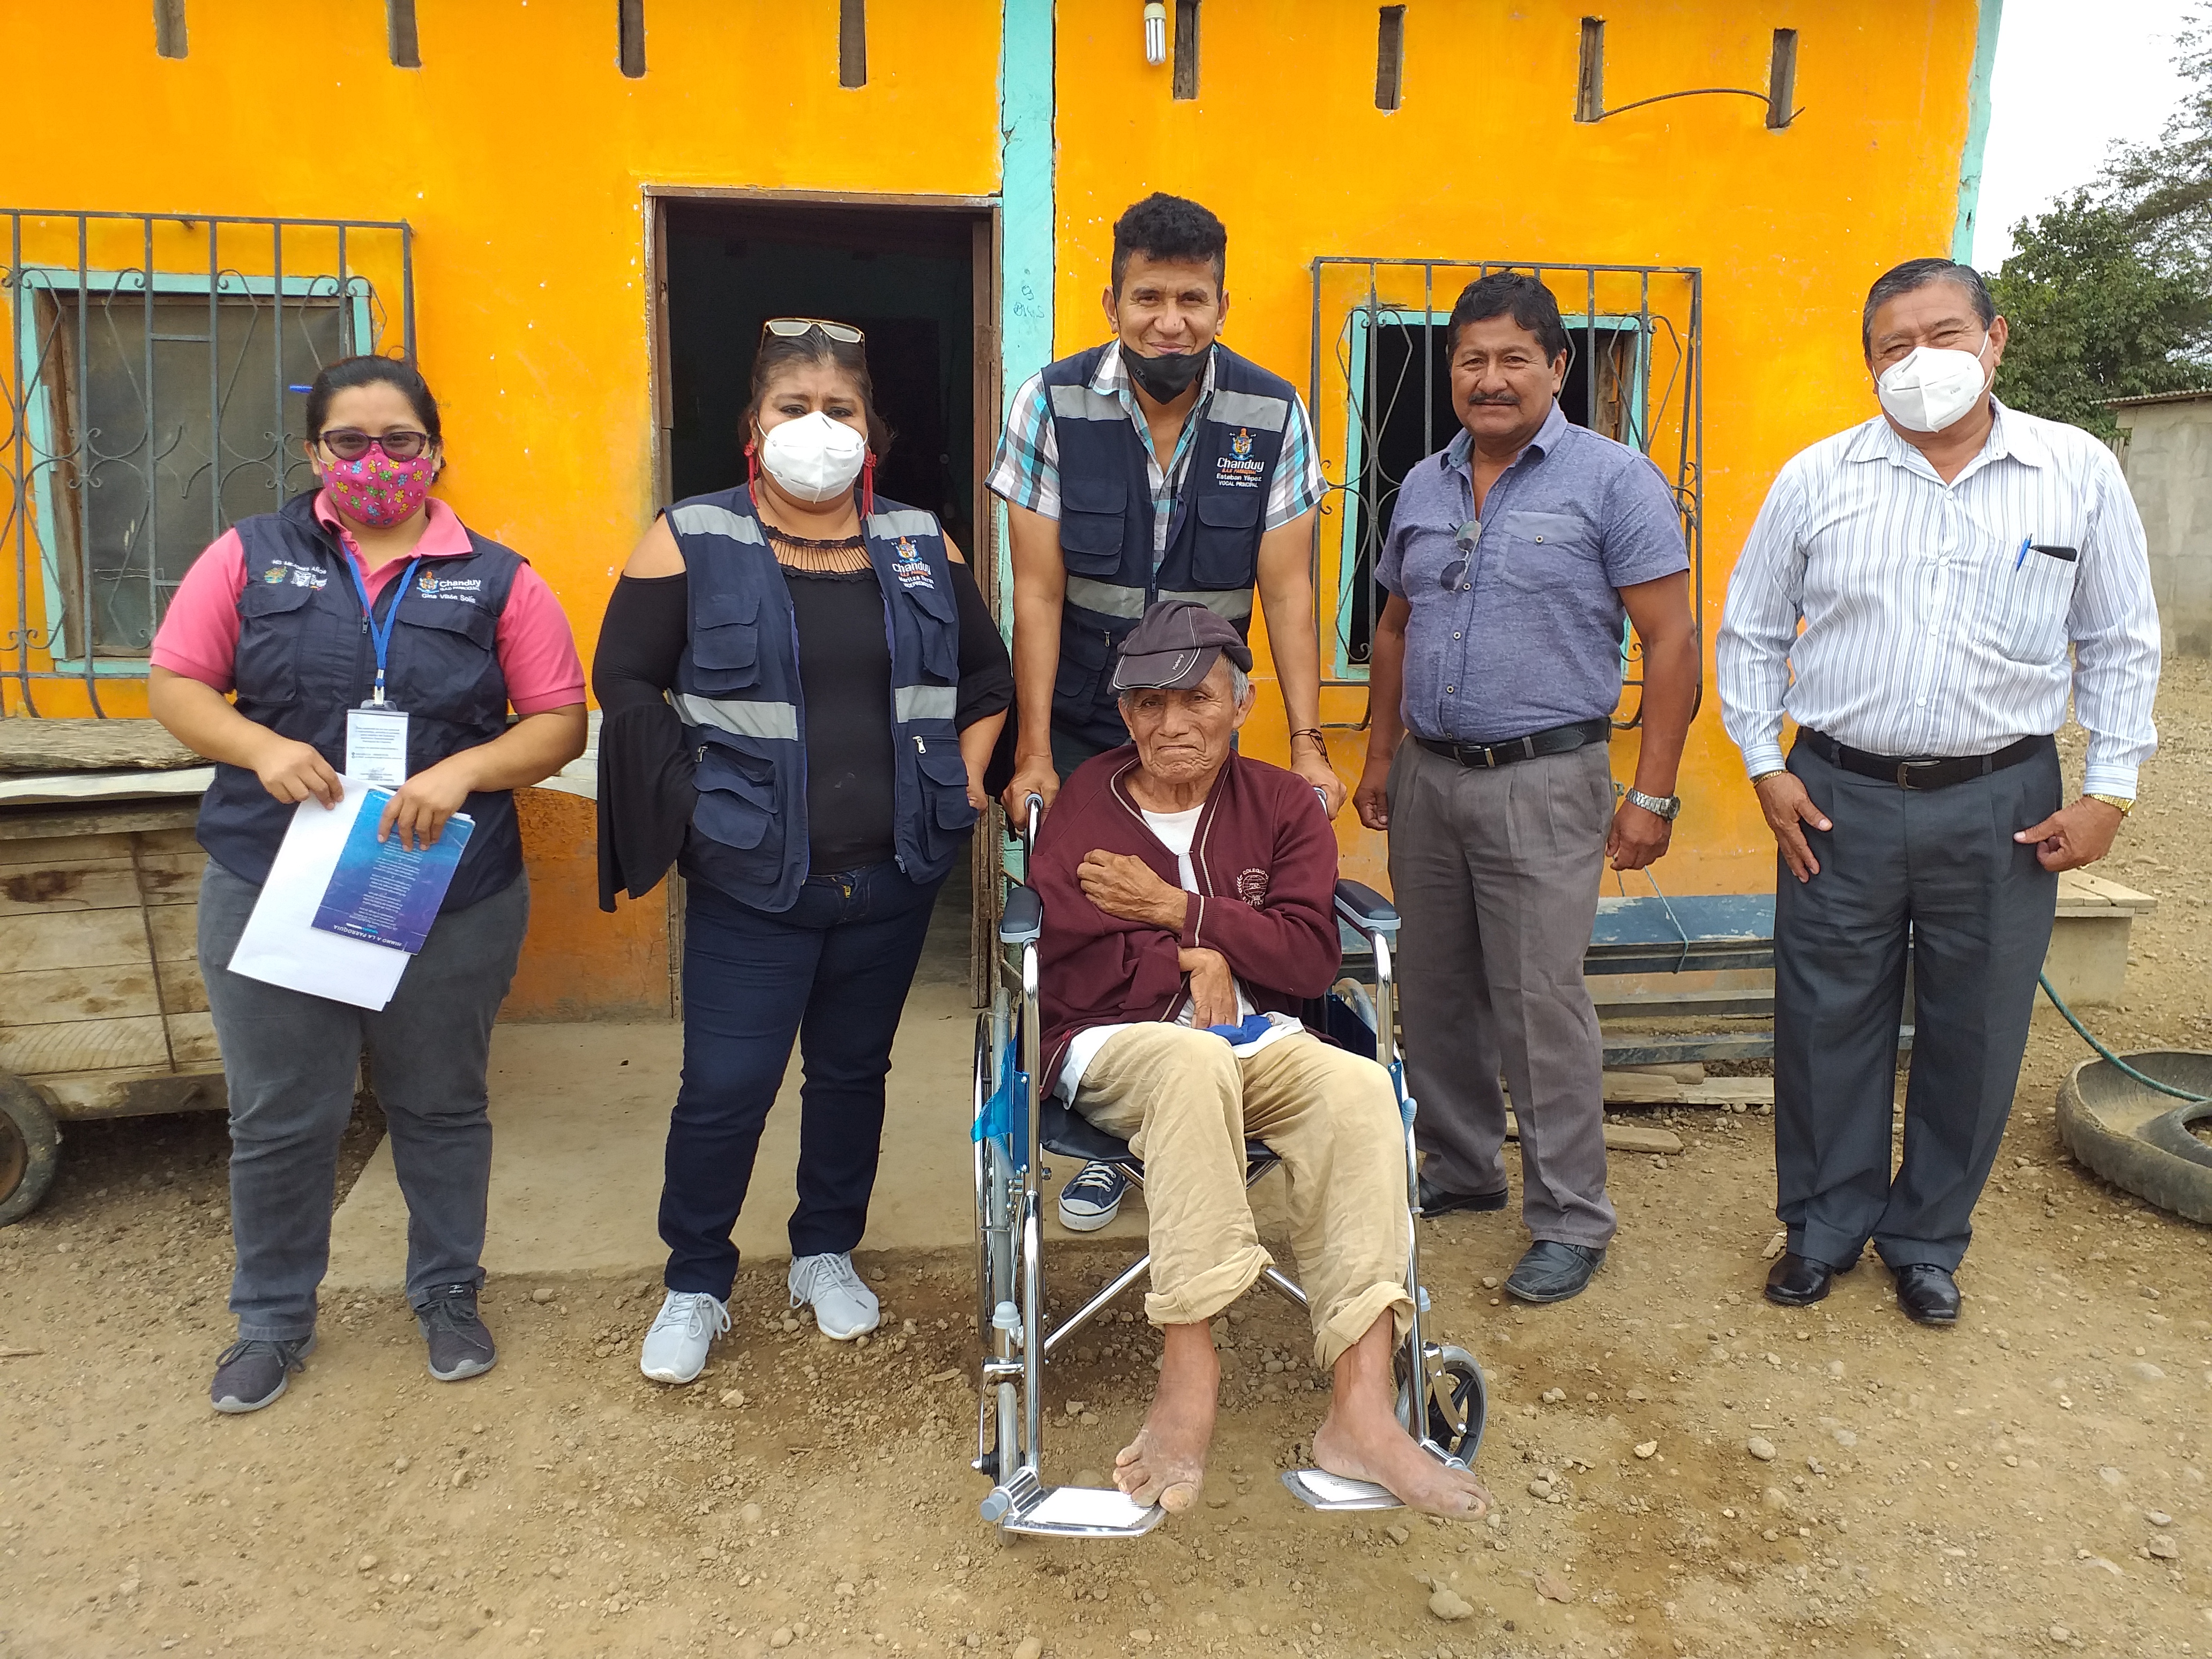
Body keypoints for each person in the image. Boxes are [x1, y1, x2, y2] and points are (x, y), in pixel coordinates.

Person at [1716, 257, 2161, 1326]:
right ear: (1868, 363)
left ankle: (1926, 1239)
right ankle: (1823, 1226)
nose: (1921, 361)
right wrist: (1766, 765)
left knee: (1979, 1025)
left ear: (1995, 340)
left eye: (1945, 335)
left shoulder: (2074, 470)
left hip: (2004, 801)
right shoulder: (1818, 478)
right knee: (1825, 1018)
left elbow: (2119, 638)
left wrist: (2110, 789)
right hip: (1838, 793)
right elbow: (1750, 630)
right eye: (1895, 346)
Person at [146, 356, 588, 1413]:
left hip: (447, 888)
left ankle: (447, 1293)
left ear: (436, 452)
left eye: (401, 440)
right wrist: (259, 748)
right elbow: (176, 684)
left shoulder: (499, 578)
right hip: (274, 876)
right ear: (316, 452)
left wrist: (466, 771)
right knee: (282, 1114)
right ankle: (271, 1321)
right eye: (351, 441)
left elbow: (558, 722)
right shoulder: (249, 557)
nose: (377, 460)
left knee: (441, 1102)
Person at [595, 318, 1012, 1385]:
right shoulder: (690, 535)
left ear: (873, 434)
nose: (817, 428)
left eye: (841, 410)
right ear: (754, 424)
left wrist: (965, 781)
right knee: (726, 1085)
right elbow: (625, 681)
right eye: (795, 407)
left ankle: (825, 1249)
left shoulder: (921, 543)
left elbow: (985, 679)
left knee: (851, 1076)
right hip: (751, 877)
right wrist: (690, 805)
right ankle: (697, 1279)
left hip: (894, 875)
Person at [1030, 599, 1494, 1519]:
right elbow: (1071, 961)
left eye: (1196, 700)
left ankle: (1363, 1413)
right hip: (1118, 1044)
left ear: (1242, 706)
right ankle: (1188, 1369)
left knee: (1361, 1087)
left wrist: (1180, 915)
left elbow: (1309, 959)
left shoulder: (1282, 805)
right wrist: (1196, 960)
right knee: (1189, 1065)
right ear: (1124, 715)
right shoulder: (1087, 802)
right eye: (1149, 704)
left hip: (1260, 1045)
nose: (1172, 725)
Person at [989, 191, 1335, 1235]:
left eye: (1192, 300)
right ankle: (1121, 1123)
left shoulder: (1272, 414)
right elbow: (1037, 591)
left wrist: (1308, 746)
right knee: (1093, 922)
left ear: (1222, 304)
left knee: (1203, 898)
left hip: (1200, 720)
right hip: (1088, 718)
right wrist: (1036, 752)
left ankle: (1206, 1099)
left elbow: (1289, 590)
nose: (1170, 322)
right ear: (1113, 302)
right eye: (1149, 299)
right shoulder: (1051, 403)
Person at [1351, 272, 1698, 1306]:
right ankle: (1463, 1169)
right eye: (1471, 359)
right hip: (1430, 776)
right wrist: (1379, 758)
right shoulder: (1422, 485)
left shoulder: (1616, 481)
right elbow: (1394, 628)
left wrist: (1653, 795)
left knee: (1541, 1002)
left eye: (1514, 359)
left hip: (1547, 779)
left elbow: (1672, 641)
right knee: (1436, 988)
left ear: (1557, 366)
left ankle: (1572, 1218)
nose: (1490, 379)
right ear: (1450, 370)